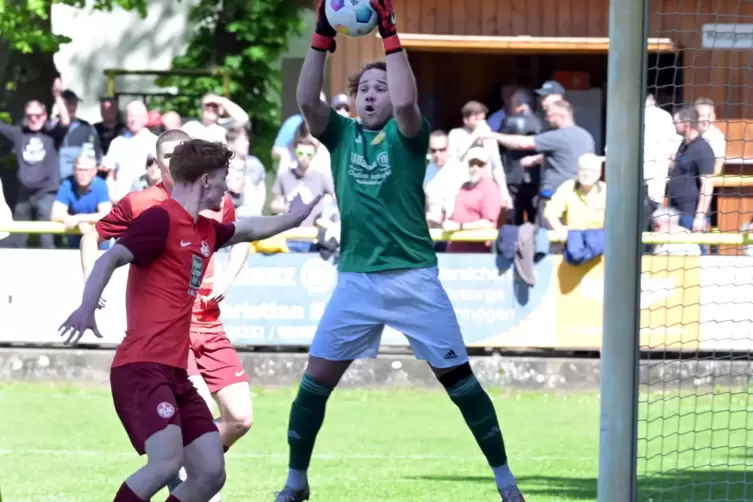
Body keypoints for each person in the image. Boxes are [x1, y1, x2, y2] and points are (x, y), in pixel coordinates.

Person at [273, 1, 525, 501]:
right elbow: (306, 100)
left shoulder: (407, 136)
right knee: (313, 382)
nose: (370, 95)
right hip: (356, 282)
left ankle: (505, 480)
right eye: (364, 89)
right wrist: (322, 33)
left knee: (460, 384)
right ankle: (295, 482)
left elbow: (408, 105)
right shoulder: (341, 136)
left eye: (379, 87)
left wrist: (390, 33)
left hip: (413, 279)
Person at [60, 138, 321, 502]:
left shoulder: (204, 229)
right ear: (204, 181)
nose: (226, 188)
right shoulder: (160, 220)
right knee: (165, 463)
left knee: (211, 473)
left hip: (175, 374)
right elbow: (109, 257)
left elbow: (247, 230)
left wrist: (292, 218)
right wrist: (87, 306)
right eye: (222, 178)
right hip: (142, 368)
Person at [79, 131, 252, 502]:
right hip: (161, 346)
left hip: (207, 324)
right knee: (170, 461)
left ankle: (194, 470)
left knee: (237, 423)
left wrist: (229, 277)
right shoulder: (147, 208)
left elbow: (245, 234)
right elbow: (97, 242)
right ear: (159, 166)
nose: (179, 161)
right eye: (170, 156)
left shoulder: (212, 204)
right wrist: (89, 296)